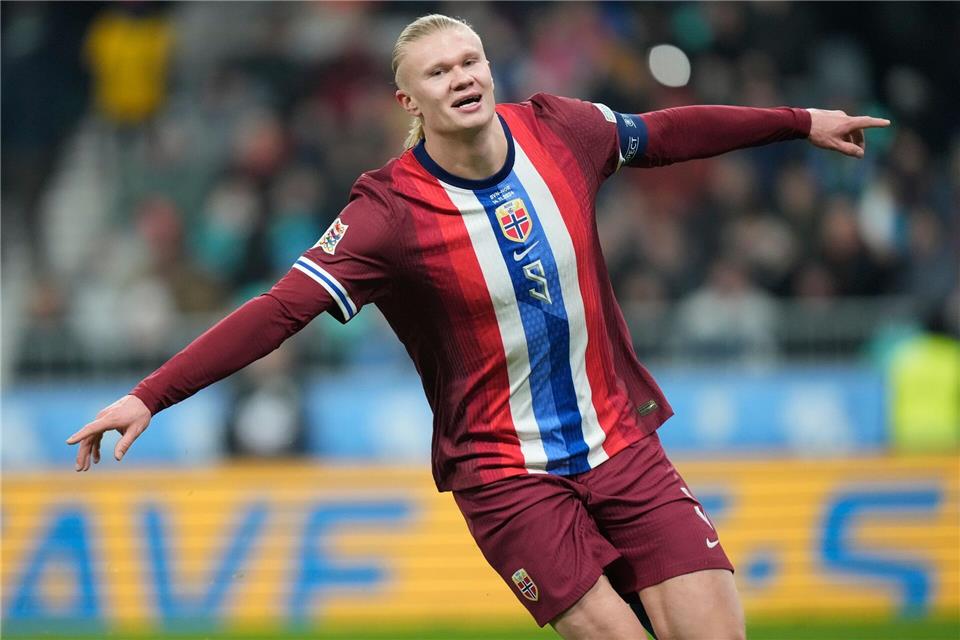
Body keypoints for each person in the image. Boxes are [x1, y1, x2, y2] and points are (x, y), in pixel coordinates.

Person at [67, 14, 889, 640]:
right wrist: (150, 396)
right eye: (438, 71)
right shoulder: (386, 214)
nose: (461, 77)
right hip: (507, 479)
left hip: (623, 447)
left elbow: (664, 134)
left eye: (470, 60)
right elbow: (281, 308)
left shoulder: (559, 129)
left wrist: (795, 121)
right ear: (409, 99)